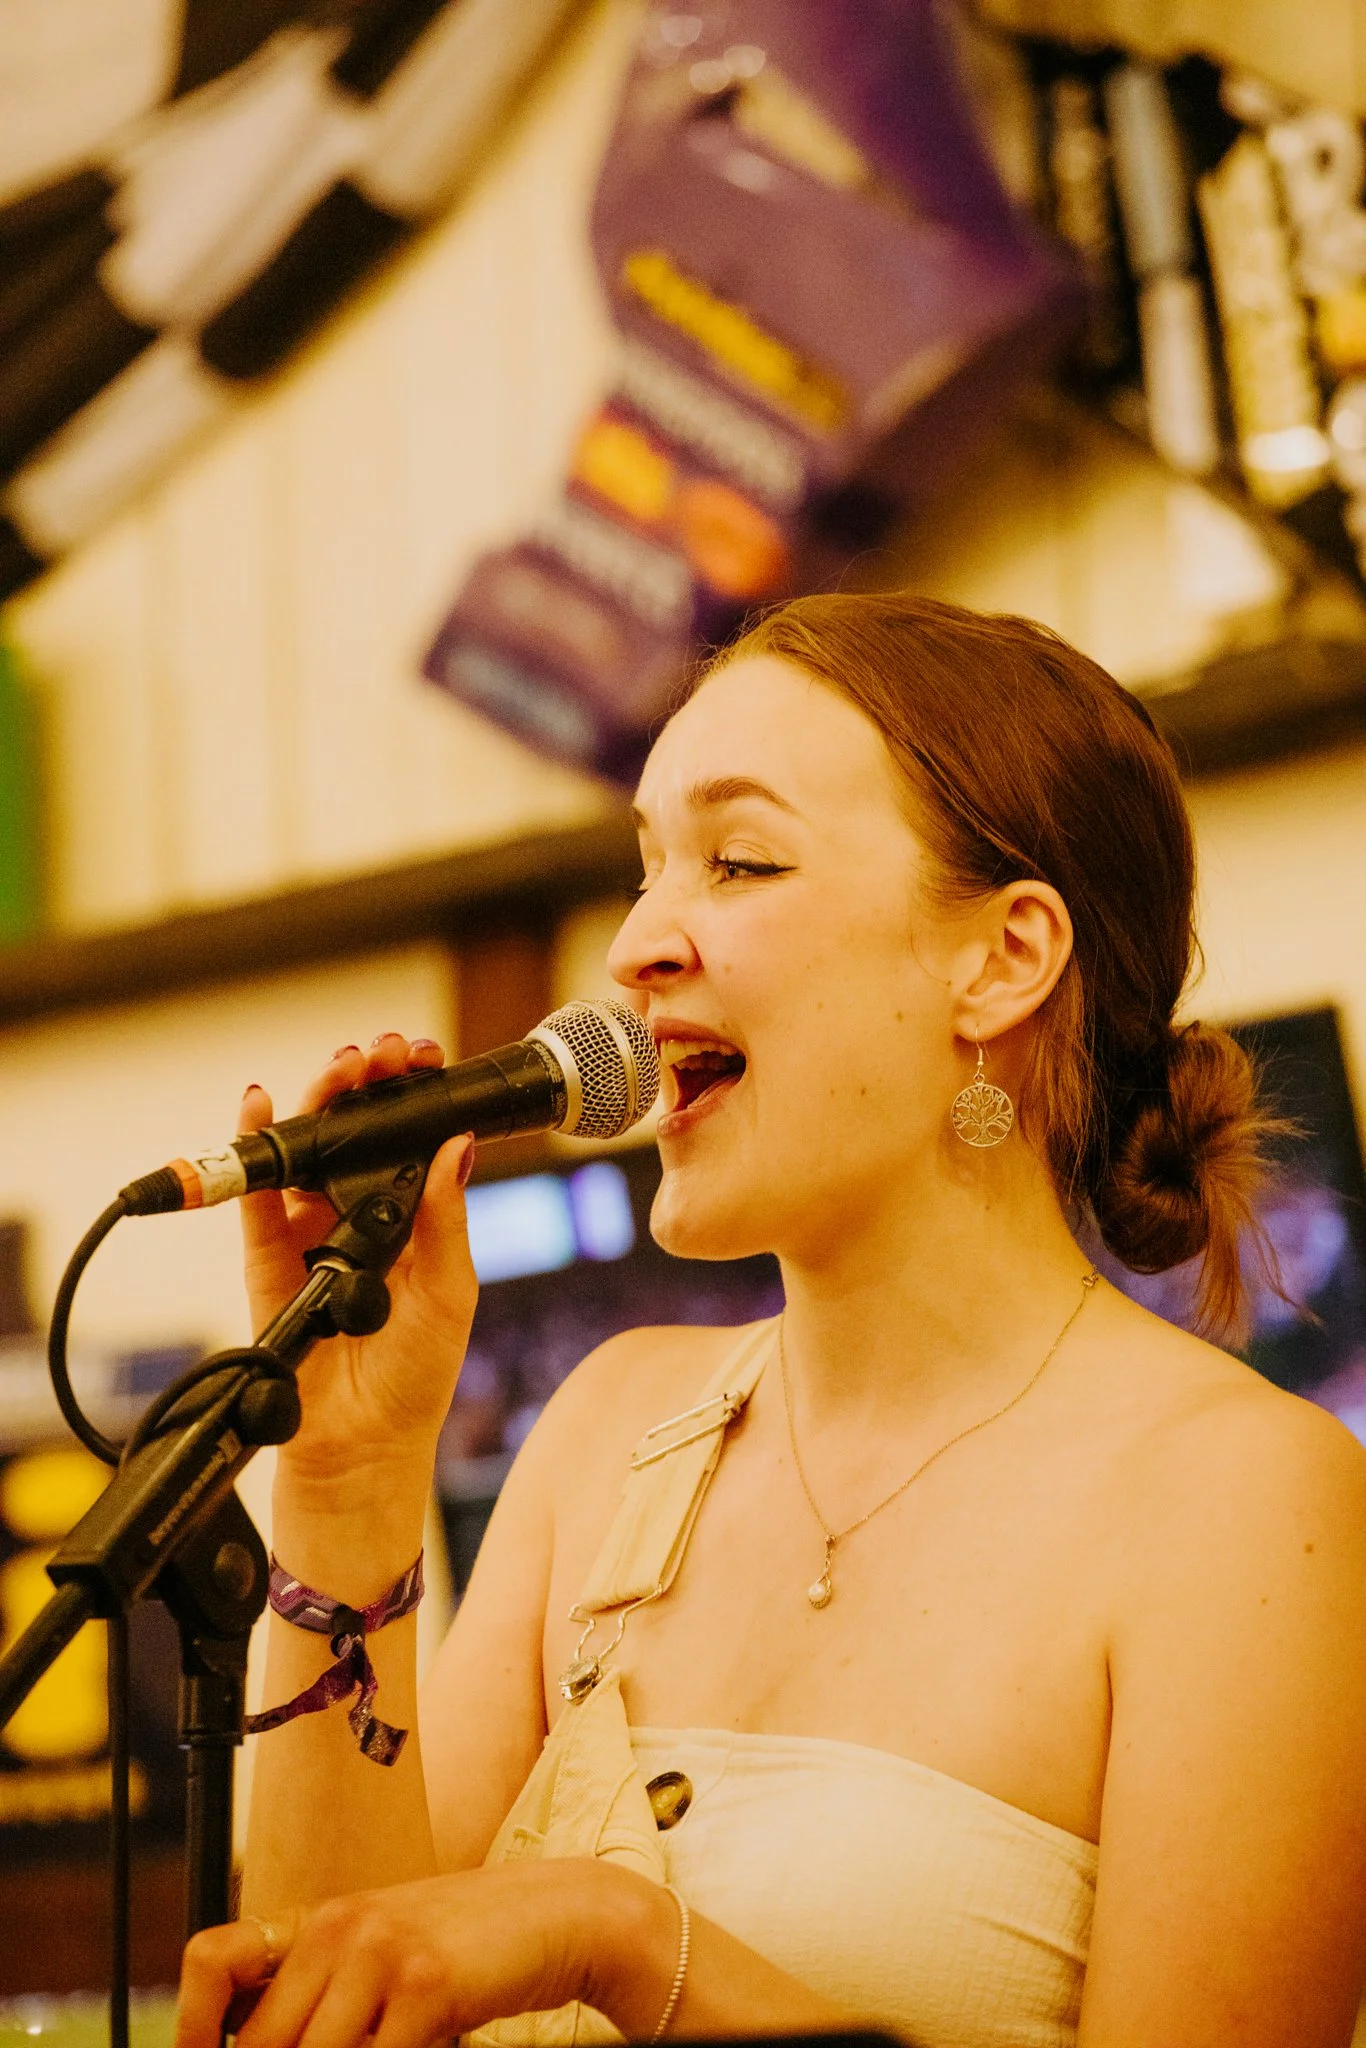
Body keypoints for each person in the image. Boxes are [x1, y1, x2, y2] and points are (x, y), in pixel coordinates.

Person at [175, 594, 1366, 2048]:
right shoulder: (607, 1426)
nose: (636, 947)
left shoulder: (1247, 1501)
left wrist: (623, 1939)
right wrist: (344, 1480)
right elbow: (319, 2007)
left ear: (999, 958)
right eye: (642, 869)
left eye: (737, 860)